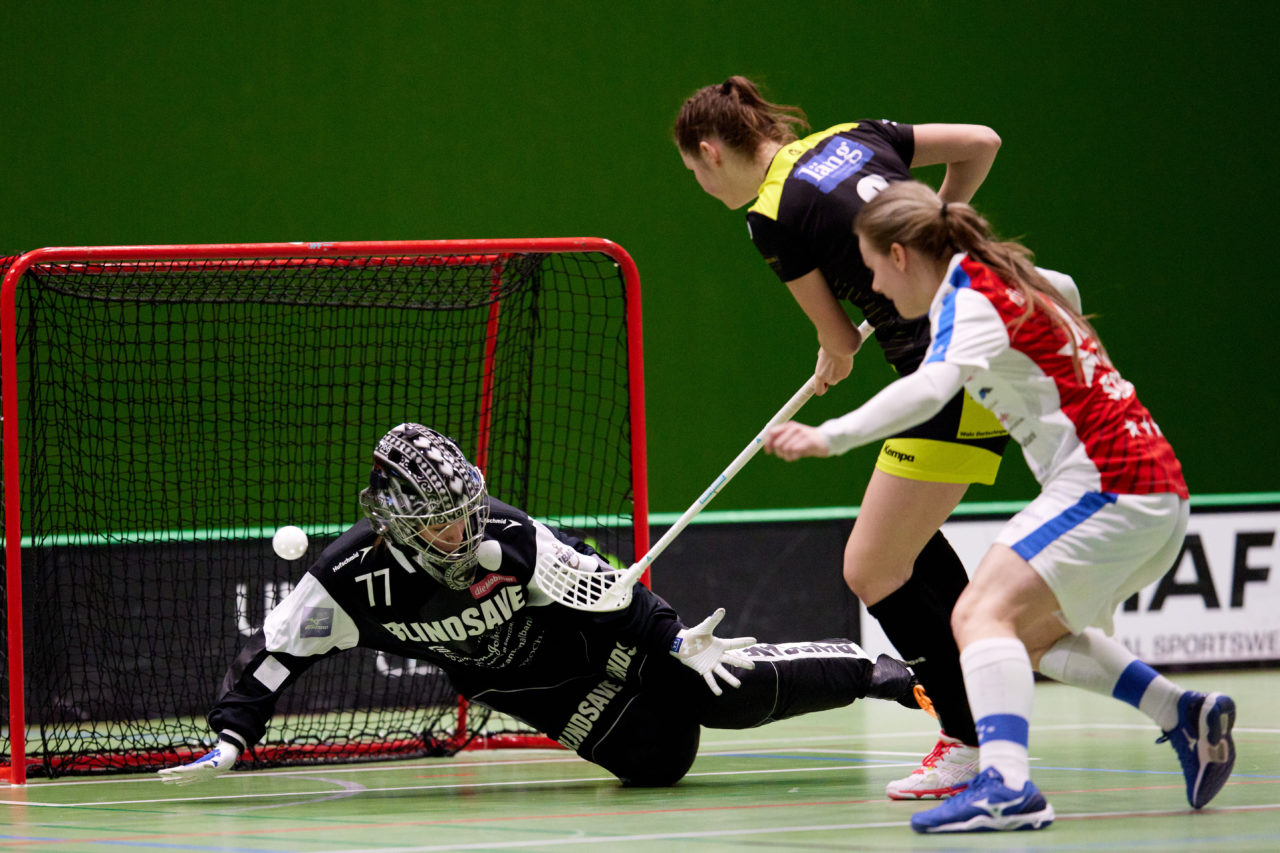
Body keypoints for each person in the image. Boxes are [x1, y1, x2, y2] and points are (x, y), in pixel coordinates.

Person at [764, 180, 1236, 832]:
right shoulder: (1011, 276)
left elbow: (931, 387)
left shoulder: (969, 298)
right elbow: (1065, 287)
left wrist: (830, 435)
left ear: (902, 255)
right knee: (1023, 633)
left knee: (978, 614)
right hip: (1151, 486)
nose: (875, 286)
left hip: (1111, 487)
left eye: (873, 268)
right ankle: (1181, 712)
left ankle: (1007, 785)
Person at [159, 423, 930, 788]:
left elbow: (606, 596)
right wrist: (231, 736)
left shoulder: (510, 534)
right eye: (437, 517)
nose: (459, 529)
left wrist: (671, 641)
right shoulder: (349, 577)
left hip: (595, 644)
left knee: (721, 691)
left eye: (463, 507)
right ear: (394, 516)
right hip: (539, 693)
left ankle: (882, 670)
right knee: (662, 760)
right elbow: (273, 657)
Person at [675, 75, 1019, 799]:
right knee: (908, 550)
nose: (702, 187)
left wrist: (832, 356)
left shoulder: (771, 213)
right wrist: (944, 221)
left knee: (871, 567)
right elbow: (981, 143)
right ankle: (984, 716)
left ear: (711, 152)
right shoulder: (855, 135)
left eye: (694, 173)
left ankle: (967, 739)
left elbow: (837, 339)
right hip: (998, 345)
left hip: (943, 369)